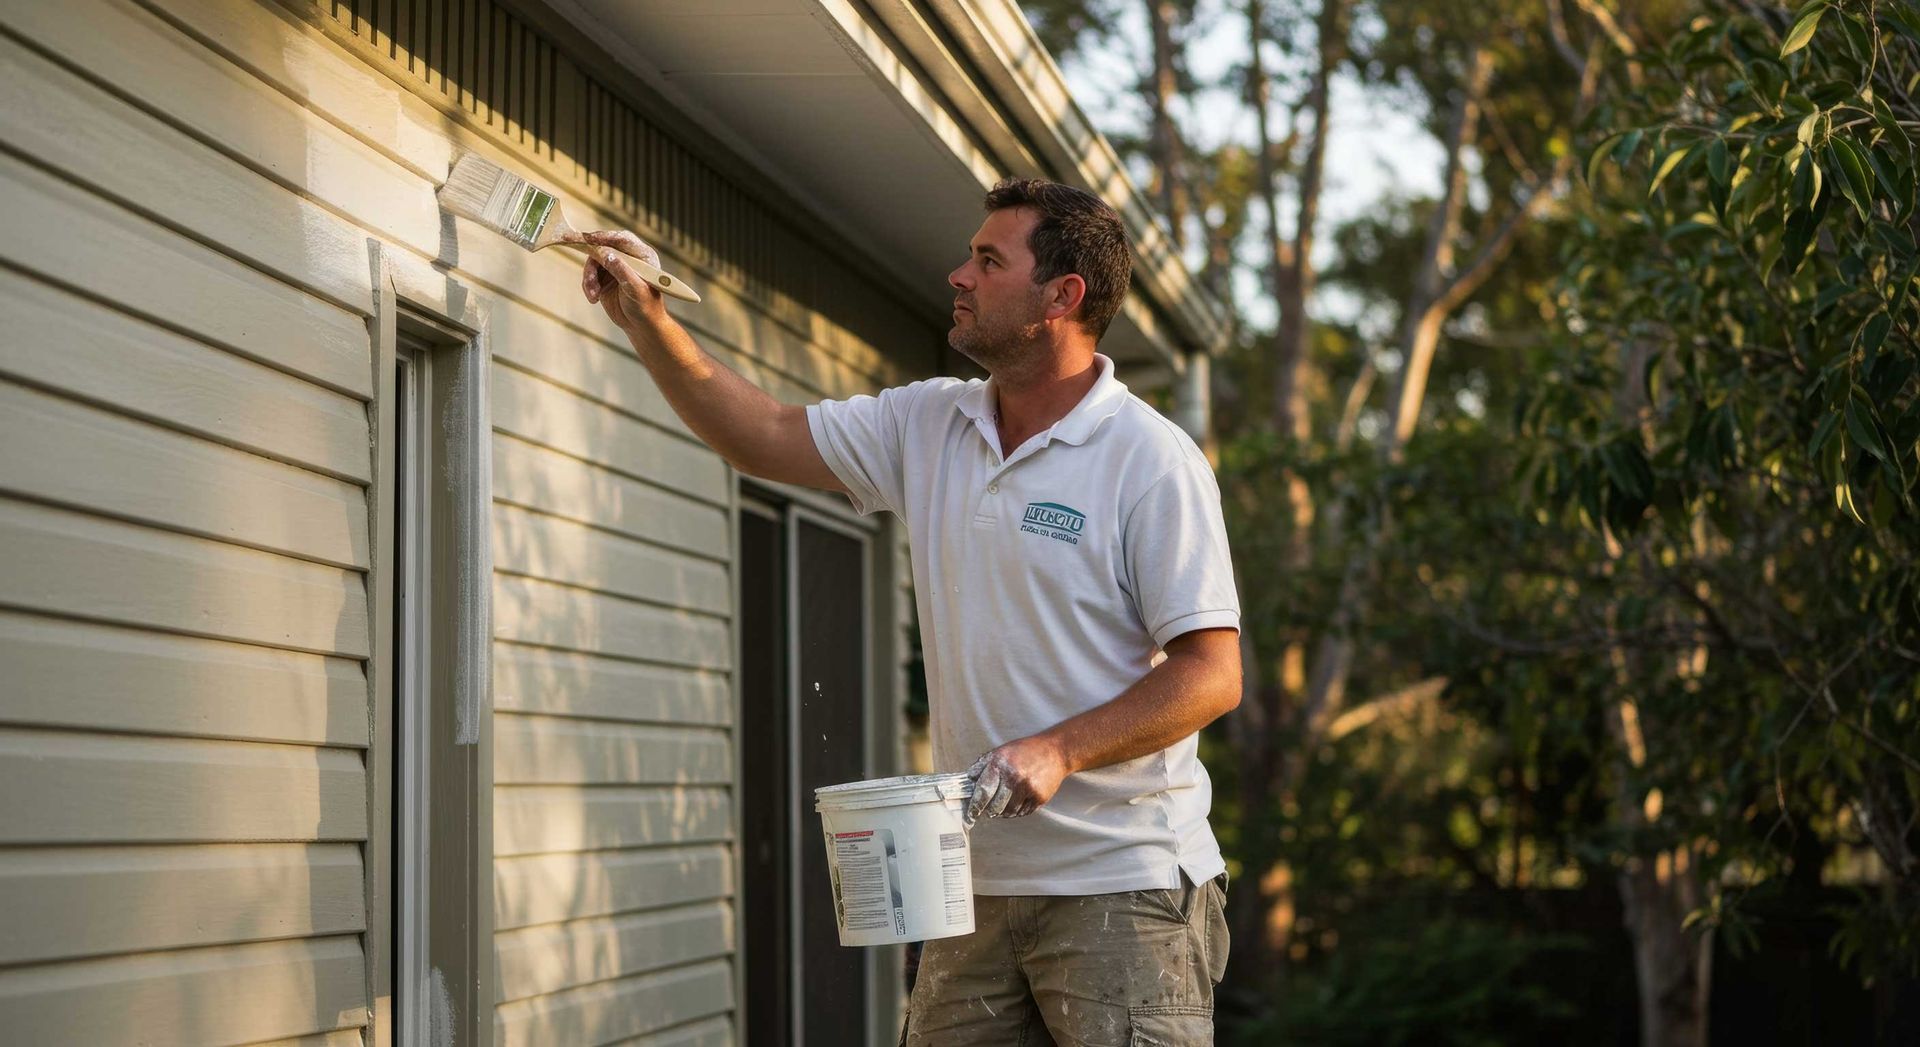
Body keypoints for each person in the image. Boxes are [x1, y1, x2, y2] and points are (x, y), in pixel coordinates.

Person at [578, 177, 1241, 1045]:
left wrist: (1059, 748)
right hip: (970, 881)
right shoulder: (929, 422)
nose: (959, 276)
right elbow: (761, 435)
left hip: (1124, 883)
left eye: (988, 260)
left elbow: (1212, 674)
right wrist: (646, 318)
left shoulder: (1149, 459)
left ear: (1062, 296)